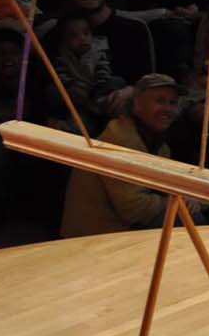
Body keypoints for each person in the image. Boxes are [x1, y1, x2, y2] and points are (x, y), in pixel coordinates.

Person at [59, 73, 177, 238]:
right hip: (95, 236)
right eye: (159, 101)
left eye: (172, 103)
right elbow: (133, 208)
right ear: (137, 104)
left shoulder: (158, 144)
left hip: (120, 229)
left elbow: (167, 186)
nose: (168, 109)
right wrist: (178, 202)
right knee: (185, 219)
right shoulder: (120, 137)